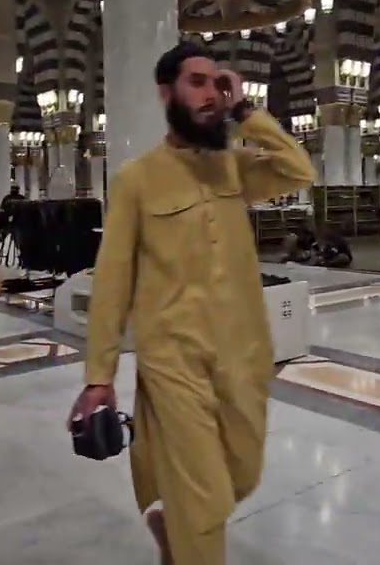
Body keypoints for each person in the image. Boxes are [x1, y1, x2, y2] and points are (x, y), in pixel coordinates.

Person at [69, 43, 315, 564]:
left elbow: (298, 171)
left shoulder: (231, 167)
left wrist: (246, 110)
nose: (210, 94)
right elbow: (112, 283)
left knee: (240, 476)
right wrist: (99, 376)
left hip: (244, 355)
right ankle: (187, 536)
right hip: (174, 359)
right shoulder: (136, 181)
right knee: (203, 498)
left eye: (216, 84)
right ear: (166, 93)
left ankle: (174, 526)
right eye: (197, 82)